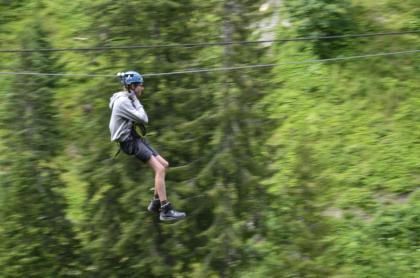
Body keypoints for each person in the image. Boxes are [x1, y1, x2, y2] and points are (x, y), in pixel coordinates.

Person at [109, 71, 186, 221]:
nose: (142, 88)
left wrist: (132, 96)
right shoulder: (124, 101)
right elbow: (144, 118)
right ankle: (165, 209)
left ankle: (155, 202)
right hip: (128, 141)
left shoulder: (126, 97)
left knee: (164, 164)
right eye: (140, 85)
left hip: (133, 137)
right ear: (132, 86)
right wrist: (135, 100)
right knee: (160, 169)